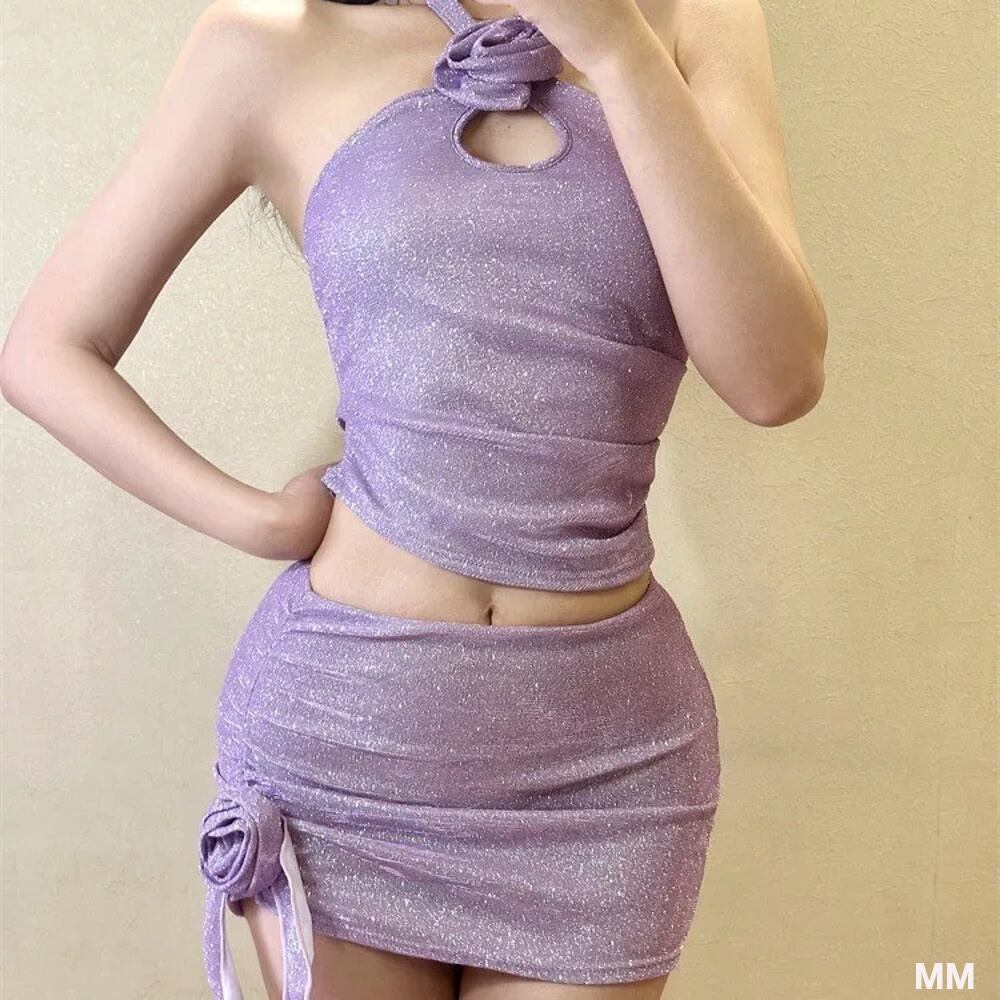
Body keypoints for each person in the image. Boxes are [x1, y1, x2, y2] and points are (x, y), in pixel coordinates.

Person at [0, 0, 827, 997]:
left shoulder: (696, 20)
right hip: (346, 741)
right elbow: (47, 348)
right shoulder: (269, 41)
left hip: (607, 765)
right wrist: (255, 517)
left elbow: (775, 379)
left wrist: (619, 50)